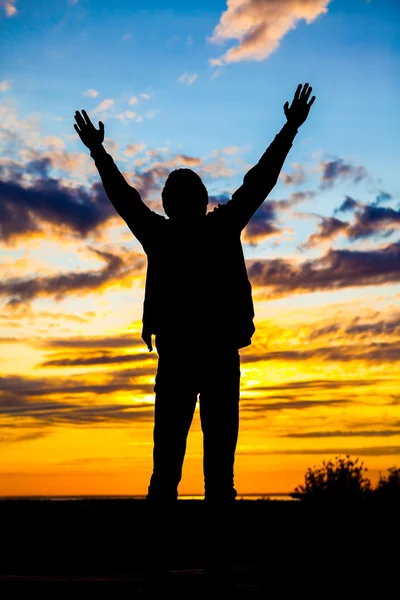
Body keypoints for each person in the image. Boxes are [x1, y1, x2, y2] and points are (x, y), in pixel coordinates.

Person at [74, 83, 315, 597]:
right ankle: (192, 569)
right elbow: (254, 184)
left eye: (182, 196)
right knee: (188, 473)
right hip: (194, 362)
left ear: (192, 201)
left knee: (191, 474)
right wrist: (99, 153)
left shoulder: (187, 231)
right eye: (178, 197)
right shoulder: (195, 230)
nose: (180, 202)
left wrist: (290, 130)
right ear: (189, 202)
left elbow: (255, 182)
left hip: (202, 361)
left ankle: (200, 569)